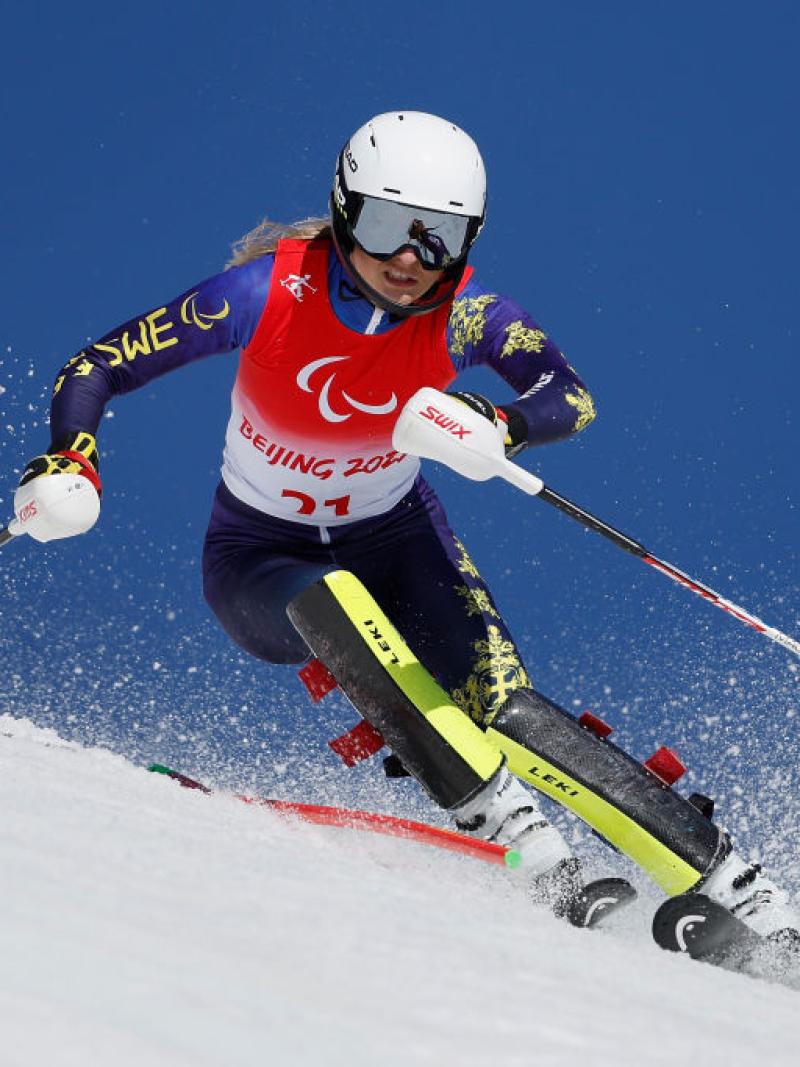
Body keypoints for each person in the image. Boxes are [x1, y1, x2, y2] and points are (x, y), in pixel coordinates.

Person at [15, 111, 798, 937]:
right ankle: (523, 841)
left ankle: (746, 894)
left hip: (399, 540)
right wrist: (72, 458)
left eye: (439, 238)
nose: (409, 259)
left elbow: (571, 394)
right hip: (260, 558)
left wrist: (500, 424)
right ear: (345, 209)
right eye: (388, 225)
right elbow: (98, 365)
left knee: (506, 707)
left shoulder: (465, 314)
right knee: (335, 599)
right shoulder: (266, 293)